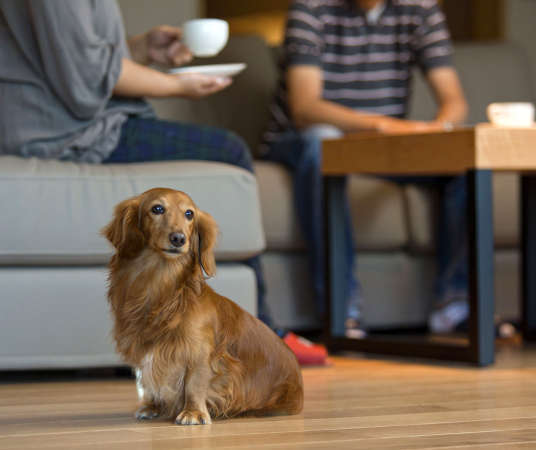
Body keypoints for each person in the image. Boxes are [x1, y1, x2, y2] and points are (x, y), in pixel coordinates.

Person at [0, 0, 328, 365]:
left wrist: (141, 49)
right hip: (64, 130)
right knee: (228, 150)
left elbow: (69, 50)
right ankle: (261, 331)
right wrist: (175, 86)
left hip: (68, 120)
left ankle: (238, 330)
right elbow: (87, 75)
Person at [261, 0, 472, 337]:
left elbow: (455, 100)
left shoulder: (420, 8)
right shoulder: (311, 7)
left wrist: (438, 132)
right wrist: (384, 127)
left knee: (465, 156)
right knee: (323, 143)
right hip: (303, 139)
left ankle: (453, 302)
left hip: (383, 146)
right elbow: (305, 107)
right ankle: (341, 309)